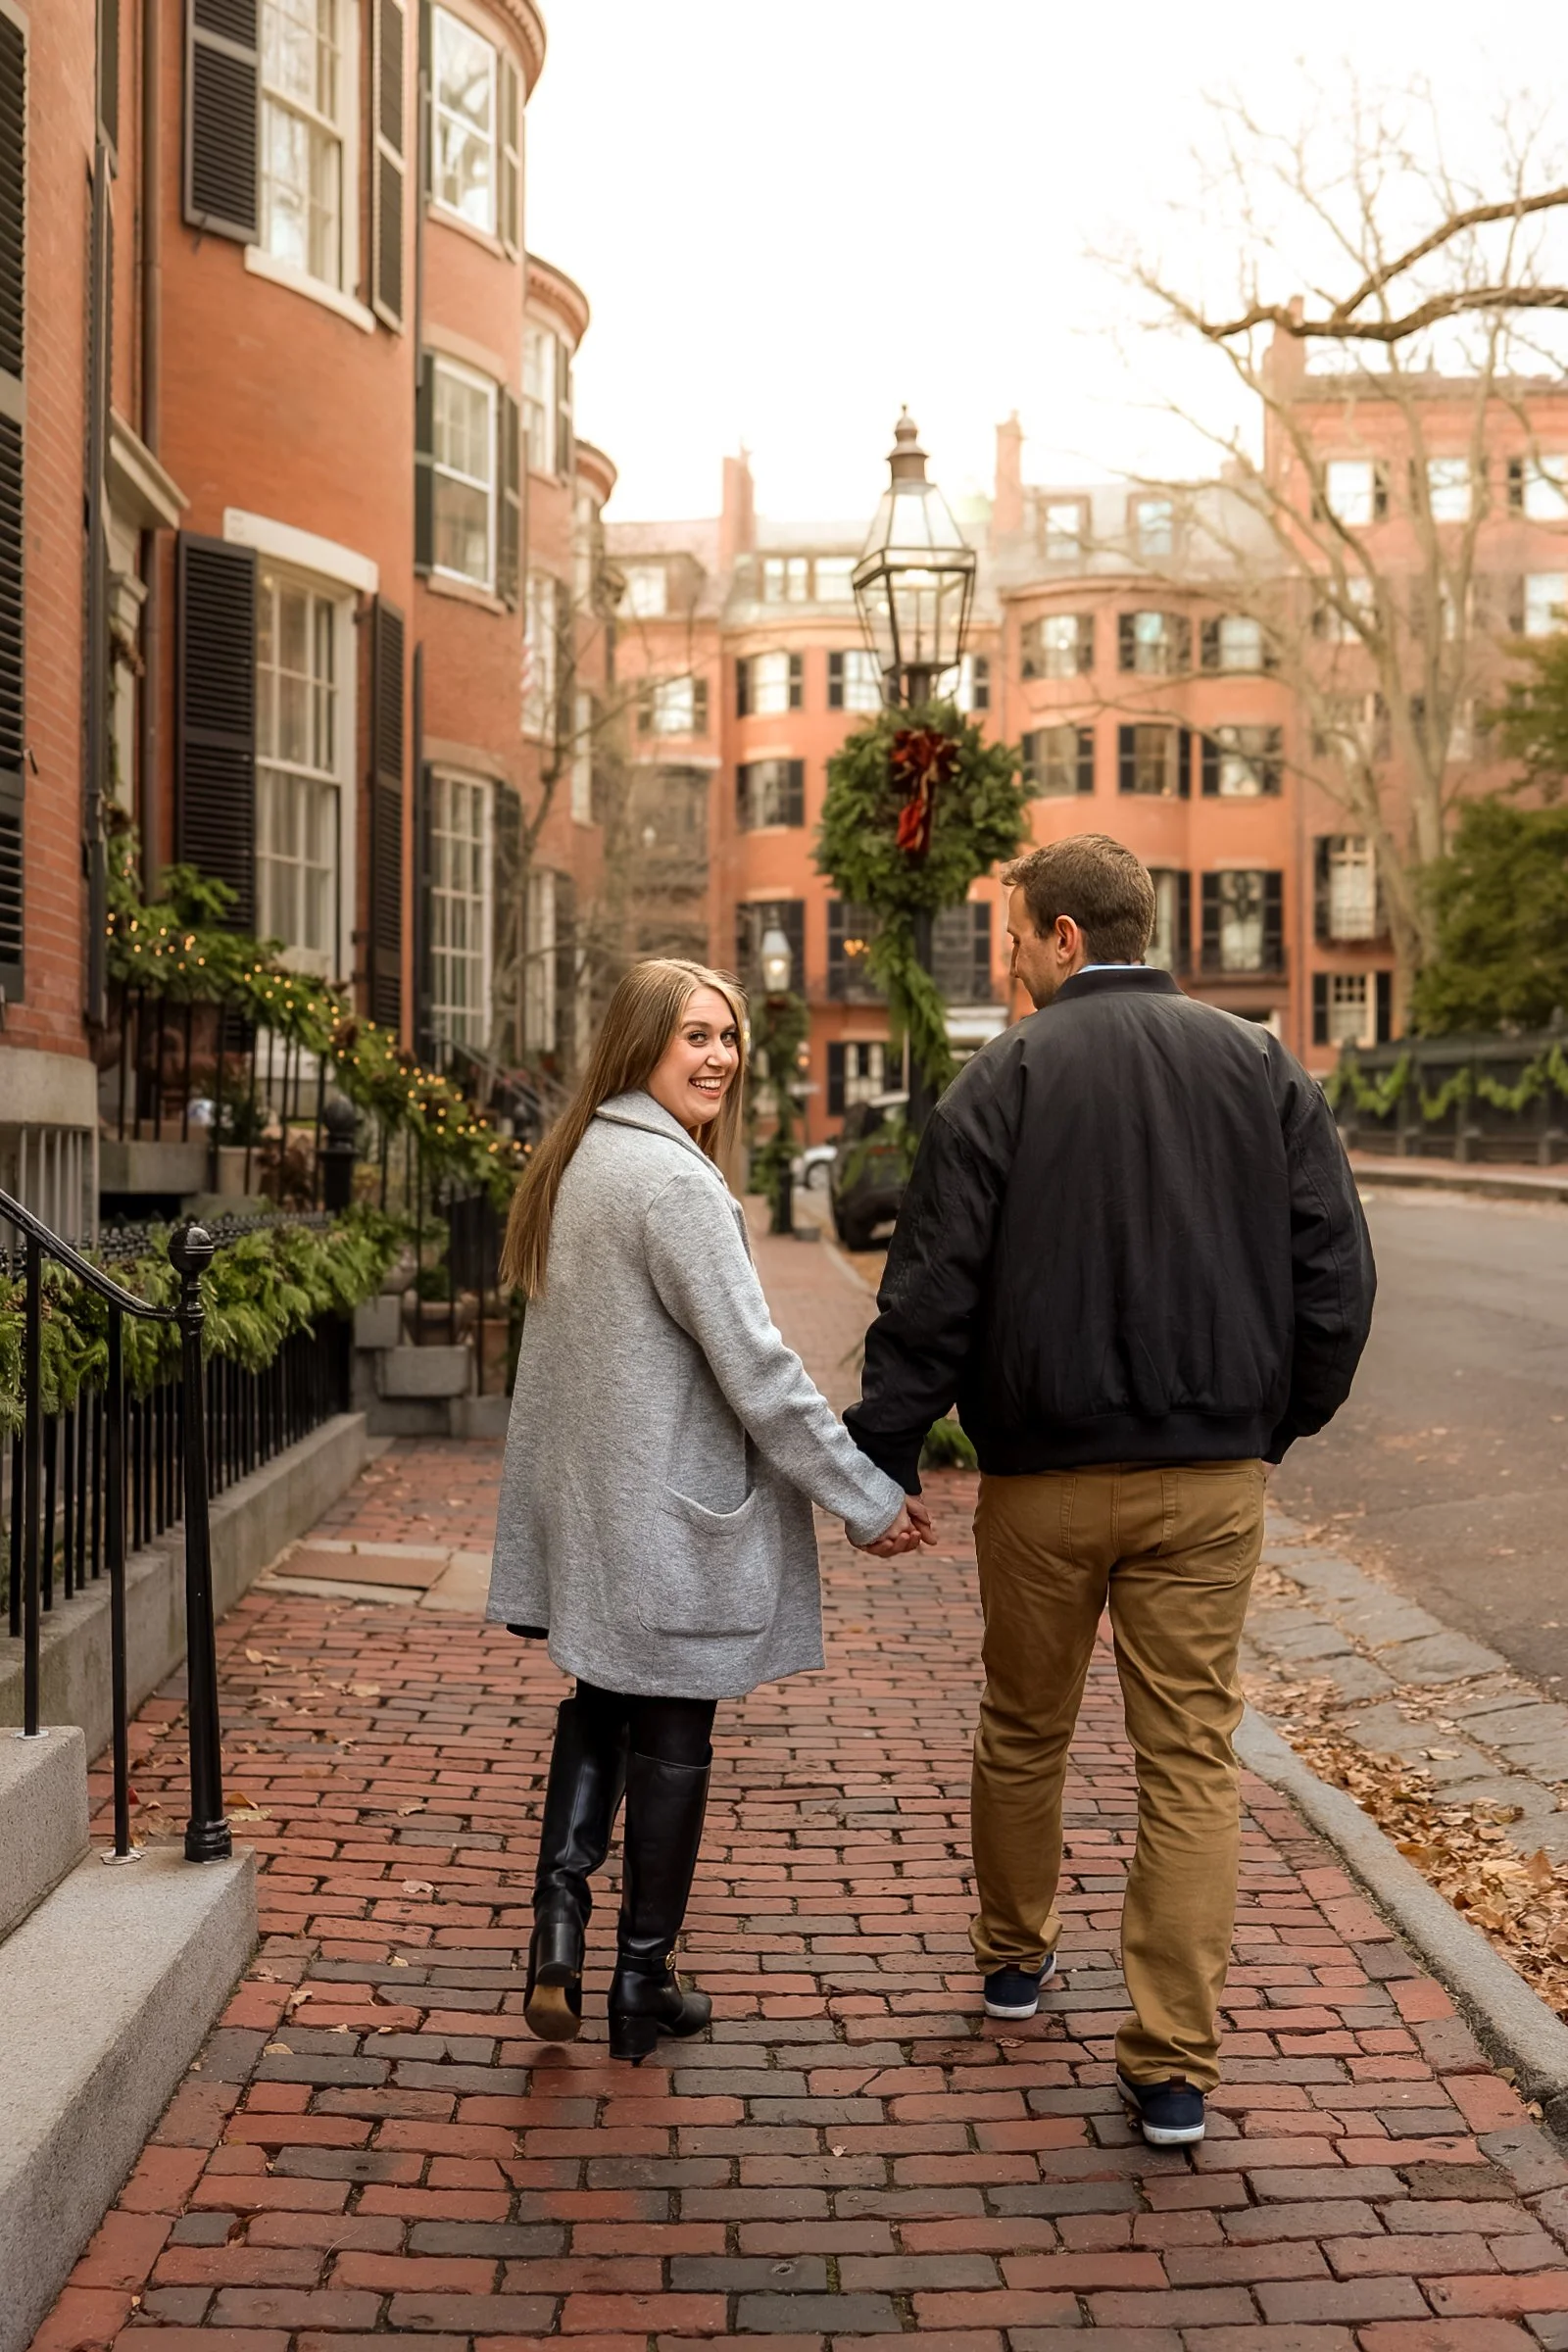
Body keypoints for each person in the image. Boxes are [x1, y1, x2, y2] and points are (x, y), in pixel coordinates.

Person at [847, 836, 1374, 2148]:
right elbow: (1337, 1281)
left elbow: (931, 1293)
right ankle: (1173, 2069)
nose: (1011, 959)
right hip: (1210, 1482)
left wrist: (884, 1453)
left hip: (1042, 1486)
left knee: (1025, 1729)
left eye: (1016, 936)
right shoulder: (1261, 1067)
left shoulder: (1001, 1081)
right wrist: (1269, 1423)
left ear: (1067, 938)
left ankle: (1016, 1963)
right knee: (1189, 1759)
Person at [488, 957, 932, 2064]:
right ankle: (642, 1986)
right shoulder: (673, 1184)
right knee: (675, 1727)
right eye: (695, 1035)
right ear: (639, 1043)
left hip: (596, 1508)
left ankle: (557, 1931)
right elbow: (761, 1372)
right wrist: (865, 1497)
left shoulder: (582, 1157)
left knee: (600, 1697)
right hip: (666, 1518)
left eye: (728, 1036)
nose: (721, 1056)